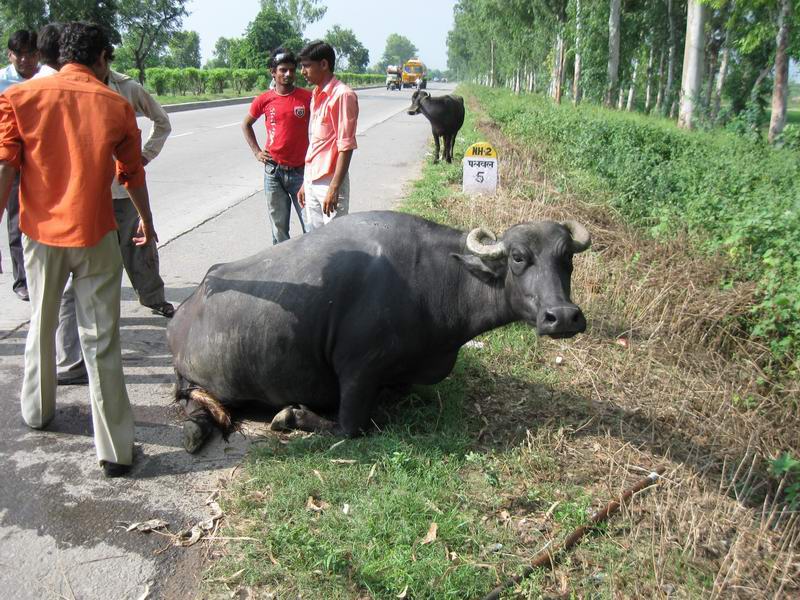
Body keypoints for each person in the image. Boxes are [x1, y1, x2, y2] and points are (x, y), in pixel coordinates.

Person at [0, 22, 157, 477]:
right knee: (102, 341)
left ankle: (38, 412)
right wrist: (147, 221)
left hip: (40, 234)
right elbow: (132, 176)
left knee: (42, 323)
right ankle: (115, 451)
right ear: (102, 59)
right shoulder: (114, 104)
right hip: (96, 234)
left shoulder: (20, 99)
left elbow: (6, 170)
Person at [55, 39, 174, 386]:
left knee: (139, 249)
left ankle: (154, 299)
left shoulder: (127, 89)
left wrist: (145, 156)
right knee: (79, 279)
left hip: (124, 194)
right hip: (81, 197)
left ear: (104, 58)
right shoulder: (66, 89)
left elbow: (161, 121)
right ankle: (72, 359)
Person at [242, 48, 311, 244]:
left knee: (311, 225)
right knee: (279, 229)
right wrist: (257, 152)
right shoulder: (264, 99)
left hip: (301, 173)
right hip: (274, 172)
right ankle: (284, 272)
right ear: (273, 72)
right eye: (283, 70)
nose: (288, 74)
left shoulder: (307, 98)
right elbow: (246, 124)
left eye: (291, 70)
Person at [297, 41, 359, 231]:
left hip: (329, 181)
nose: (302, 71)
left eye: (307, 66)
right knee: (314, 242)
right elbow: (316, 144)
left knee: (335, 242)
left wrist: (334, 187)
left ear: (323, 64)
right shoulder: (316, 94)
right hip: (312, 179)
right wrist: (305, 182)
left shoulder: (343, 95)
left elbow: (346, 146)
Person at [0, 30, 39, 301]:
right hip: (13, 159)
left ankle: (48, 274)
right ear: (9, 55)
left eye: (30, 53)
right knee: (16, 221)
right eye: (19, 54)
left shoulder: (47, 77)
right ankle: (22, 279)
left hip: (43, 160)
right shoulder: (2, 81)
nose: (25, 59)